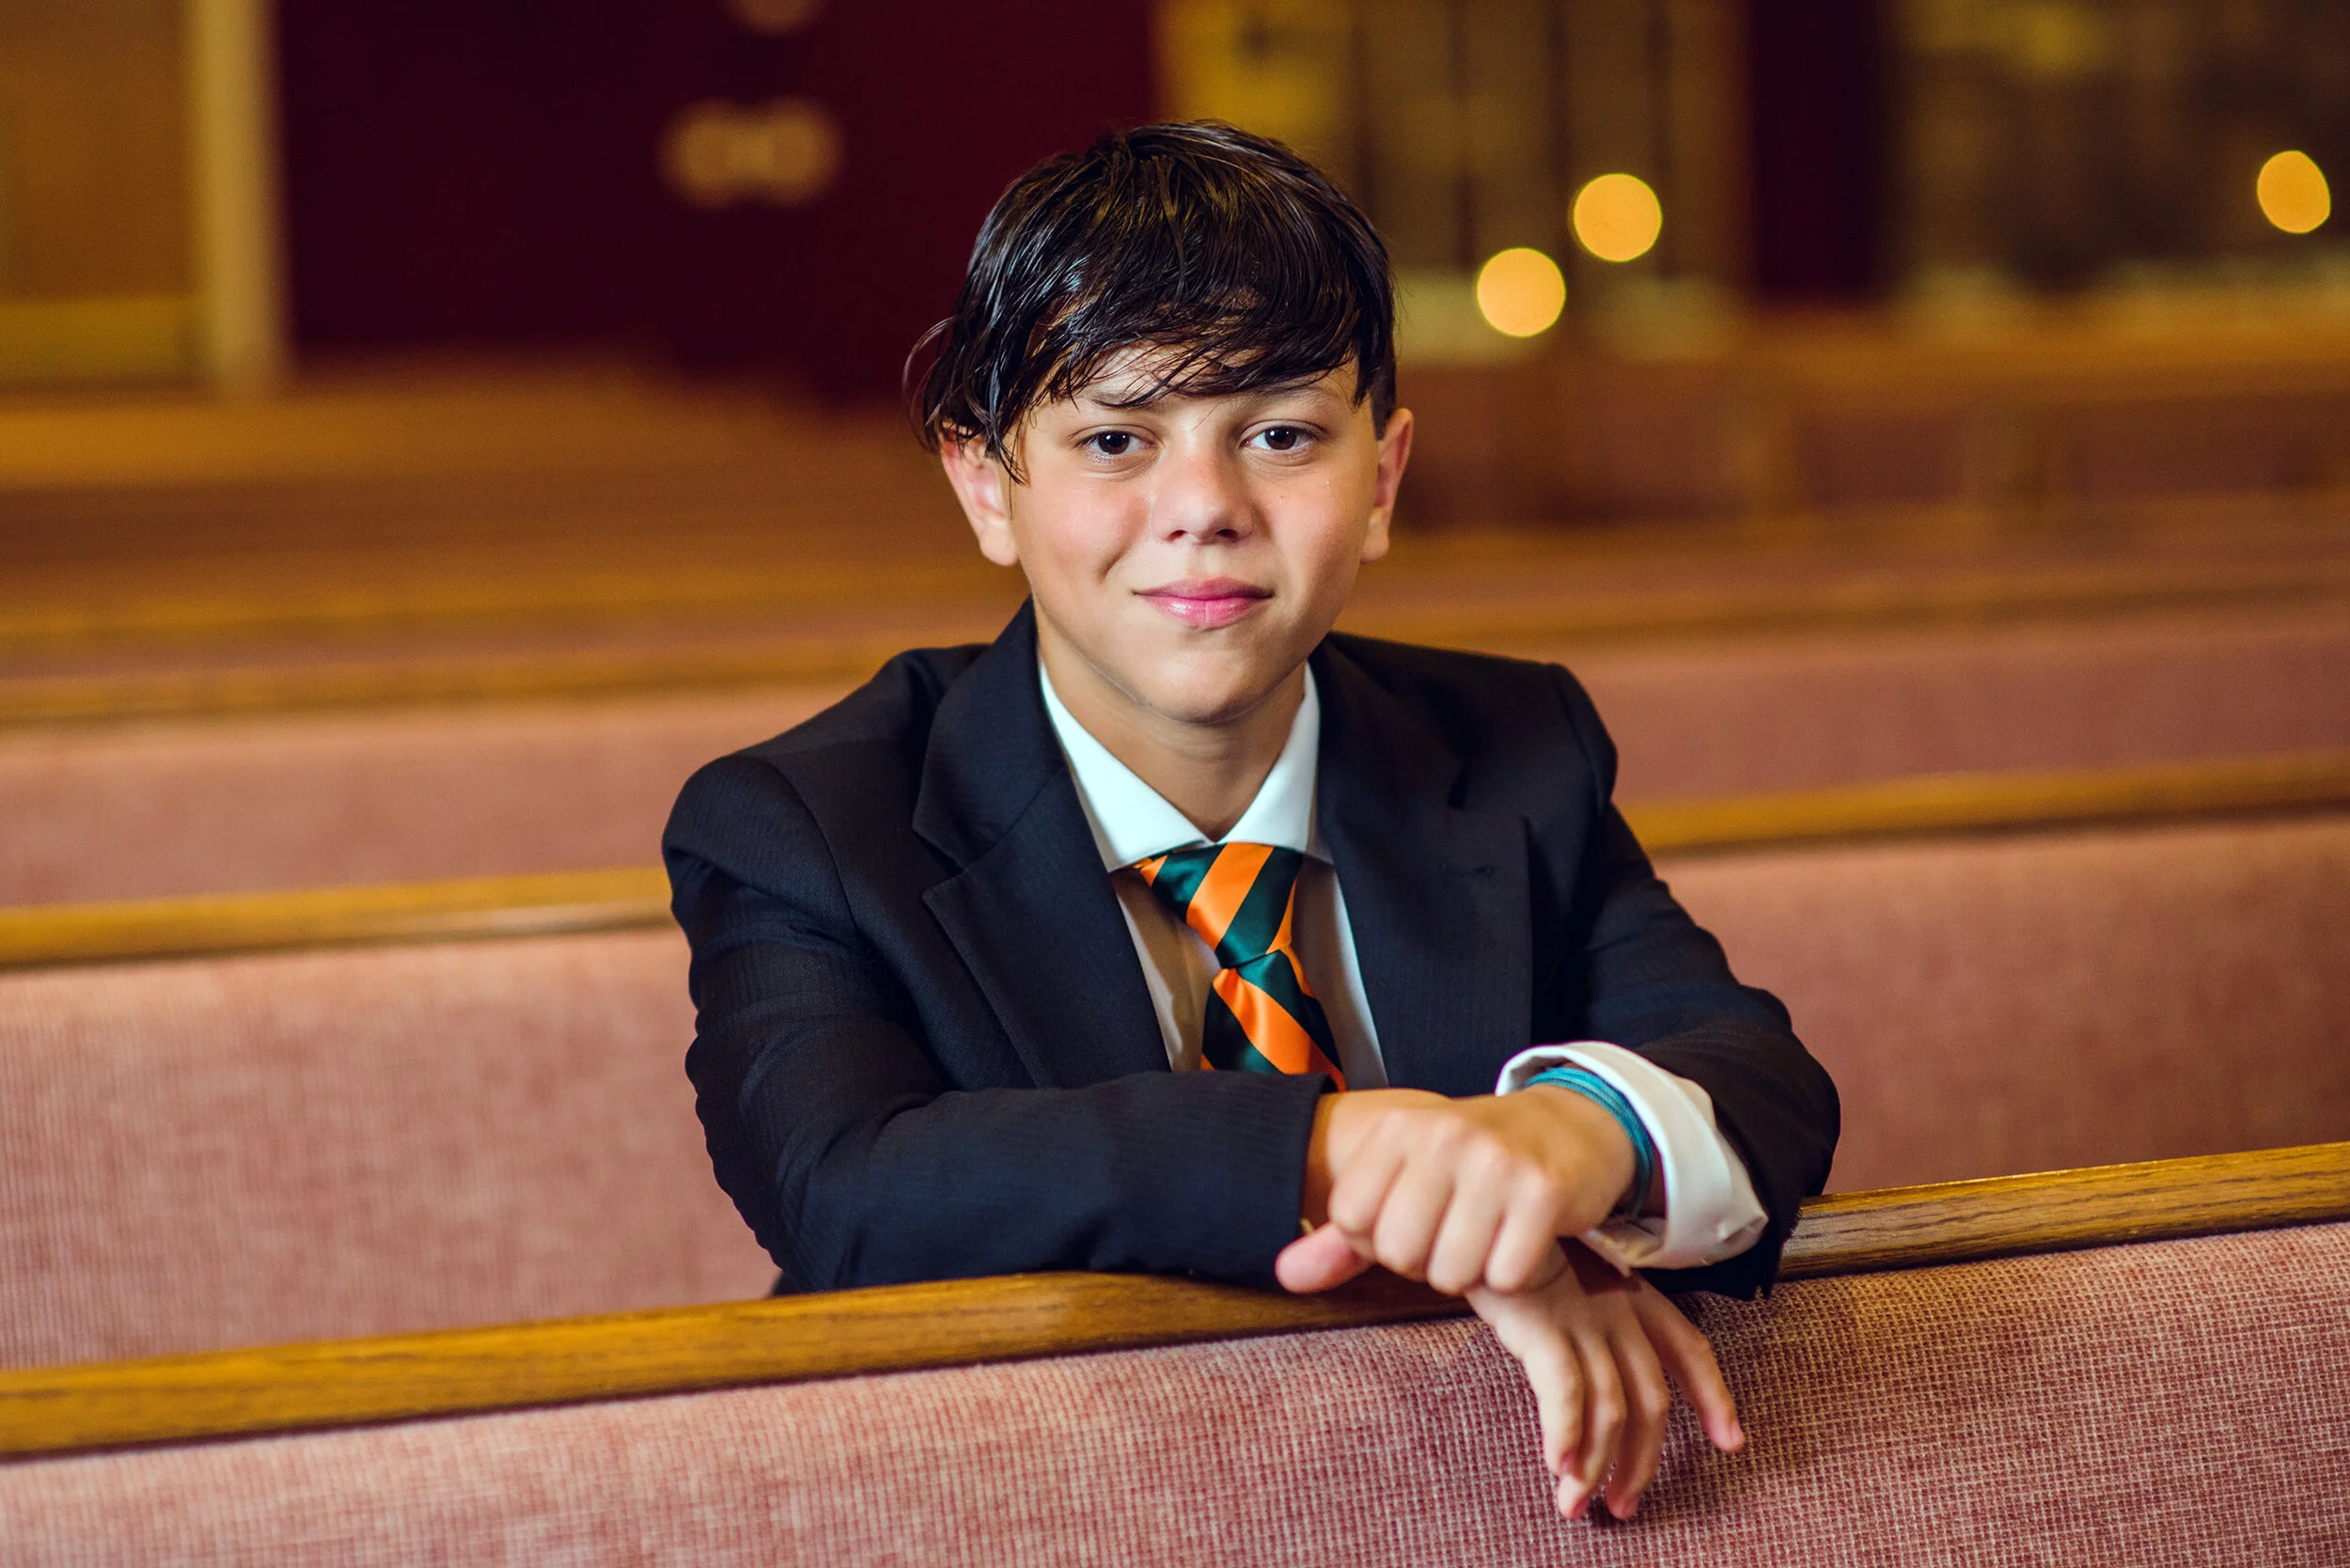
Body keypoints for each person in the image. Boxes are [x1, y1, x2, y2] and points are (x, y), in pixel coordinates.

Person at [664, 121, 1839, 1524]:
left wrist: (1567, 1149)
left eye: (1281, 435)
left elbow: (1754, 1075)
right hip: (1002, 1508)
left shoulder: (1516, 746)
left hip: (1465, 1500)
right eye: (1116, 440)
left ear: (1383, 480)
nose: (1204, 510)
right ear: (987, 486)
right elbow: (846, 1192)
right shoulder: (801, 822)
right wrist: (1347, 1156)